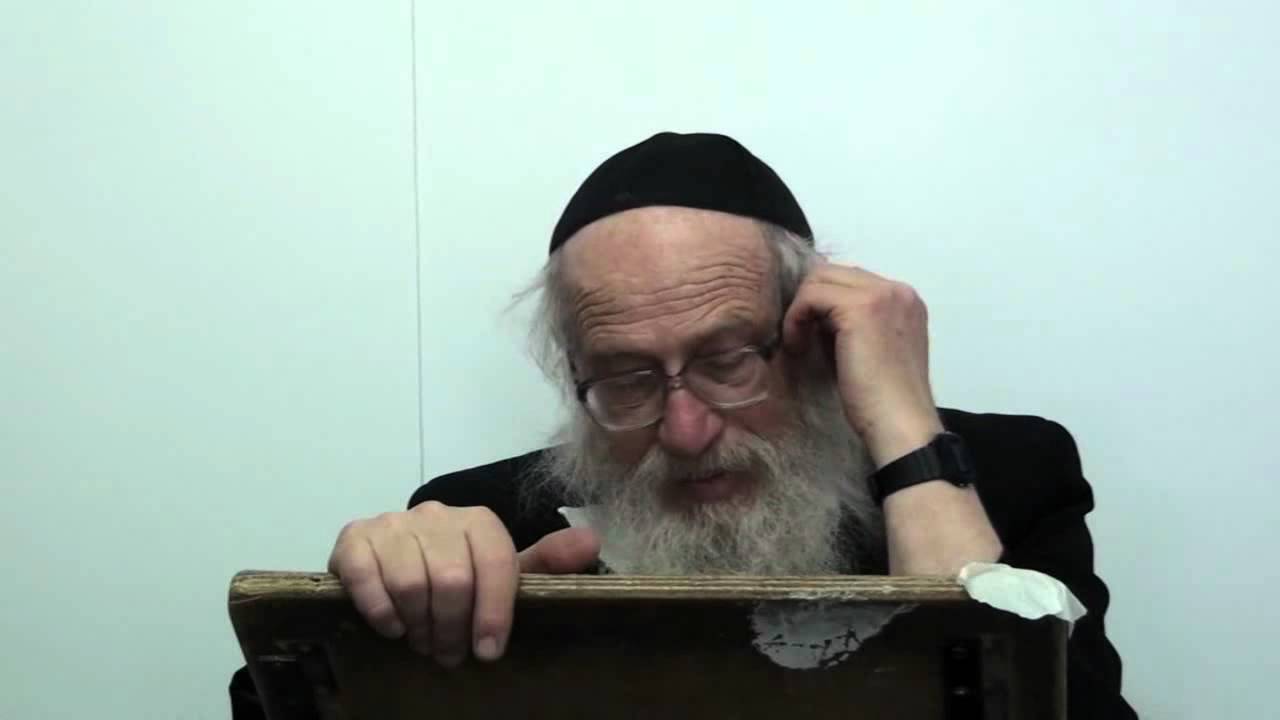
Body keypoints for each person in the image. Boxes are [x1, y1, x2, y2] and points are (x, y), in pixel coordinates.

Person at [230, 132, 1136, 718]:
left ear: (813, 336)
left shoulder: (1007, 476)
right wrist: (377, 620)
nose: (688, 430)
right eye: (625, 378)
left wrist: (906, 429)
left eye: (730, 359)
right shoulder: (494, 525)